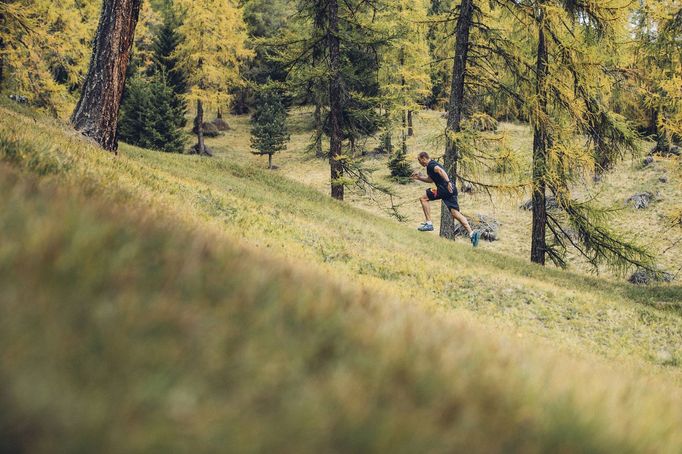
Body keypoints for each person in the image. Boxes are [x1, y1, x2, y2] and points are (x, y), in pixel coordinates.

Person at [411, 151, 481, 247]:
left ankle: (429, 223)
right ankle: (472, 234)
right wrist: (419, 178)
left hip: (445, 188)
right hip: (451, 190)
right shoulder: (430, 167)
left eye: (420, 160)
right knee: (455, 213)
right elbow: (431, 180)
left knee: (423, 198)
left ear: (424, 158)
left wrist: (447, 182)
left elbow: (440, 170)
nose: (420, 163)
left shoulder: (431, 165)